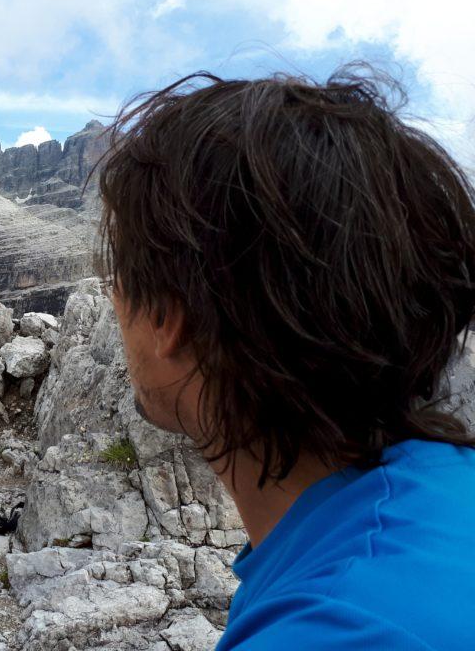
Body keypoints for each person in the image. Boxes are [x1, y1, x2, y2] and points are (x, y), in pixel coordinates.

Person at [93, 67, 475, 649]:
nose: (114, 297)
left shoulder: (332, 629)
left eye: (119, 272)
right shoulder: (446, 481)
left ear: (173, 317)